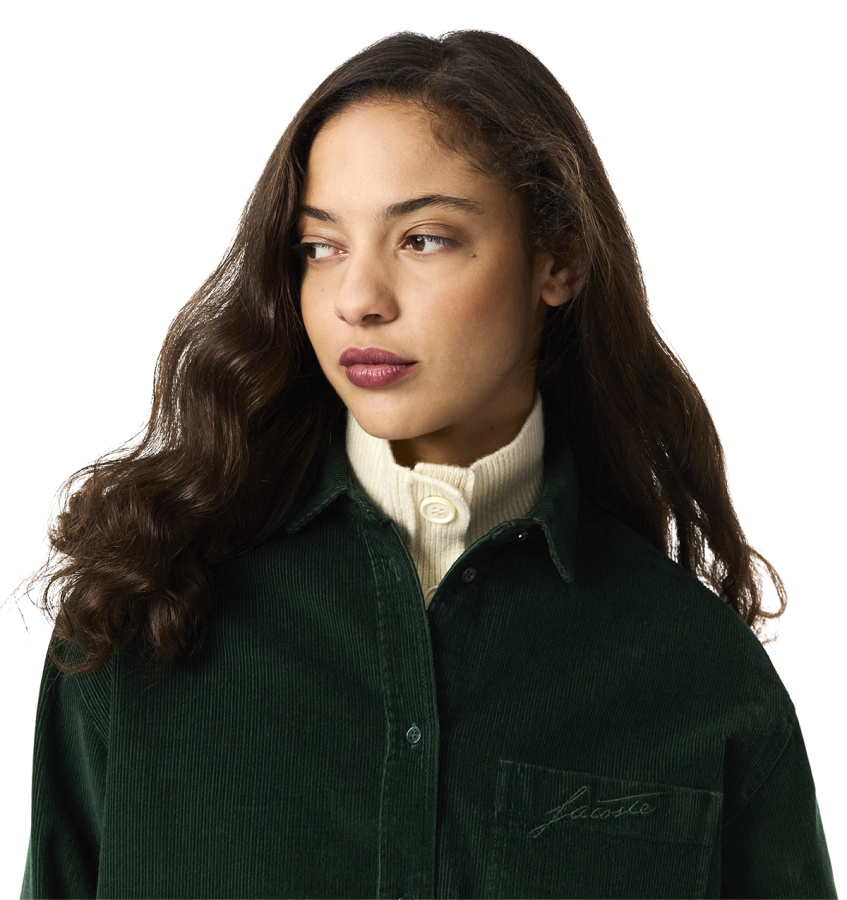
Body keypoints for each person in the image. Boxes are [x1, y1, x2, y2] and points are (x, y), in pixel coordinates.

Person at [21, 30, 836, 899]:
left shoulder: (696, 670)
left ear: (557, 259)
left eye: (422, 239)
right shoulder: (143, 615)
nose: (358, 300)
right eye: (321, 247)